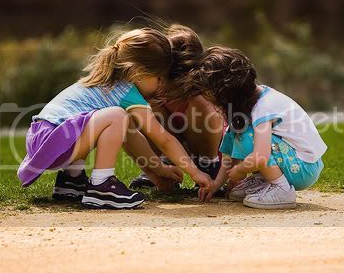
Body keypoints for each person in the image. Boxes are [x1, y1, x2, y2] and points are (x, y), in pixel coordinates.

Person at [17, 28, 213, 209]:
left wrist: (159, 169)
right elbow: (163, 139)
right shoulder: (128, 93)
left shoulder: (106, 84)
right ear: (138, 73)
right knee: (115, 115)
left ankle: (72, 181)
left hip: (43, 137)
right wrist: (195, 173)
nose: (161, 85)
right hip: (53, 140)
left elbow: (132, 137)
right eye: (159, 78)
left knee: (111, 119)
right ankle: (102, 186)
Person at [191, 47, 327, 209]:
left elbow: (261, 156)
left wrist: (241, 170)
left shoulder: (262, 107)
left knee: (248, 135)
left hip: (304, 167)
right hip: (294, 163)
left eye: (215, 100)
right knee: (239, 129)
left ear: (227, 94)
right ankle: (266, 181)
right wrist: (217, 184)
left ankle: (281, 189)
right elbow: (229, 155)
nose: (214, 104)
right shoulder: (247, 106)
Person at [129, 24, 224, 192]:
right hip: (175, 140)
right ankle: (162, 167)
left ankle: (208, 166)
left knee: (201, 109)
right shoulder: (154, 90)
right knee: (146, 109)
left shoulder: (199, 95)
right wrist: (154, 167)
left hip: (208, 148)